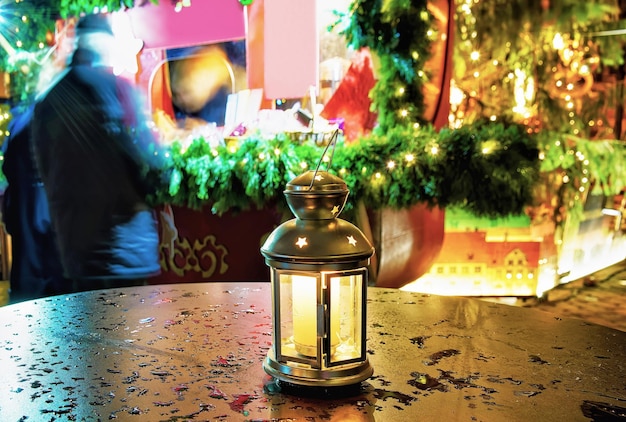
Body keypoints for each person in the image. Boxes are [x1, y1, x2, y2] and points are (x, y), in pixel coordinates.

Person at [31, 13, 167, 292]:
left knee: (91, 329)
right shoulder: (117, 89)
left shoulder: (49, 100)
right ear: (105, 45)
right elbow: (147, 161)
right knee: (129, 331)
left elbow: (45, 171)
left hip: (77, 248)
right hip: (123, 246)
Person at [1, 102, 70, 302]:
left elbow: (10, 171)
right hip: (51, 253)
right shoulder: (50, 123)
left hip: (28, 252)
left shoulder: (19, 126)